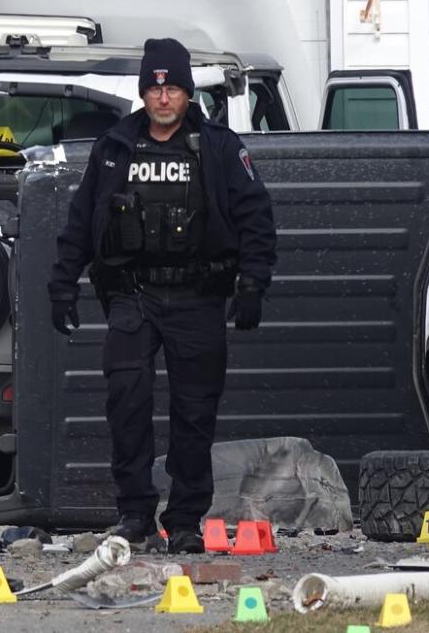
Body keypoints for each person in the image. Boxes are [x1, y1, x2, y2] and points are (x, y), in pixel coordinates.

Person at [47, 38, 277, 553]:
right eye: (154, 88)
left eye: (172, 87)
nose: (163, 98)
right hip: (133, 296)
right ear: (143, 94)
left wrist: (252, 286)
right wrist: (63, 286)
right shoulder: (114, 148)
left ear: (188, 93)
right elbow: (82, 222)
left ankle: (187, 520)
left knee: (195, 414)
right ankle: (134, 515)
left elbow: (256, 220)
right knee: (126, 404)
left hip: (198, 296)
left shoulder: (218, 147)